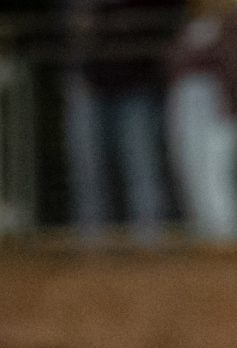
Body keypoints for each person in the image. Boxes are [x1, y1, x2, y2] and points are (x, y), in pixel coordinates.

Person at [63, 0, 173, 241]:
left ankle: (150, 242)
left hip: (137, 82)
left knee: (141, 166)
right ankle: (92, 245)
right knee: (87, 170)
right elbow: (72, 23)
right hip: (89, 83)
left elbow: (158, 21)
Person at [165, 0, 237, 242]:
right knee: (190, 168)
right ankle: (204, 236)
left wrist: (235, 101)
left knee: (218, 171)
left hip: (220, 106)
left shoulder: (234, 23)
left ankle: (228, 236)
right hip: (187, 104)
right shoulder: (188, 27)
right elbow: (172, 65)